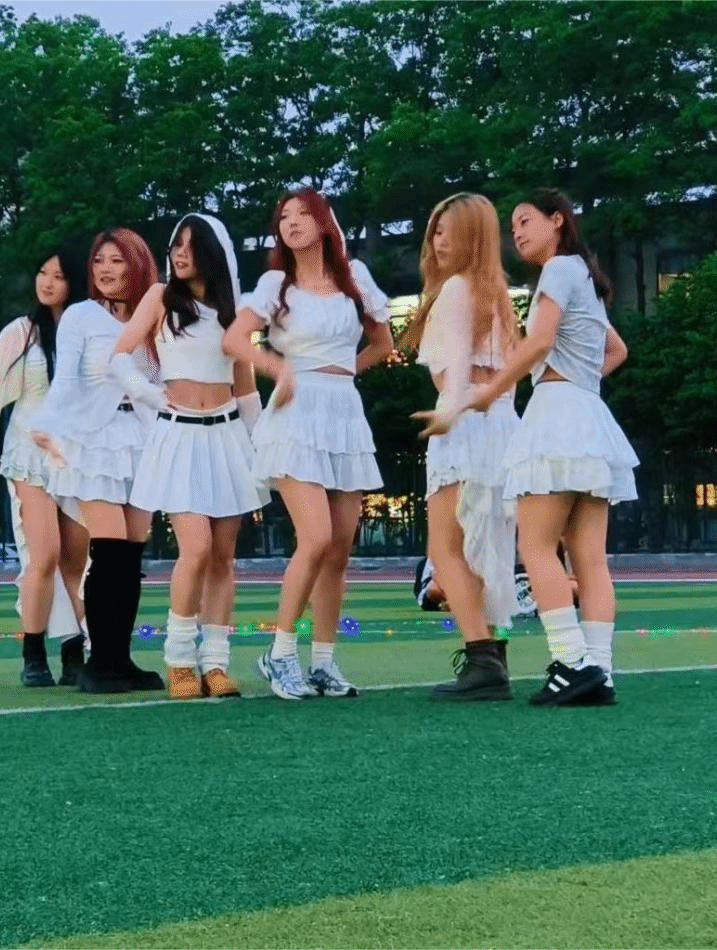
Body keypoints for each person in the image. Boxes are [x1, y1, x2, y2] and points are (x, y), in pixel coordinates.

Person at [417, 188, 637, 707]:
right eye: (512, 225)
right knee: (590, 560)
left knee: (532, 549)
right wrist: (576, 381)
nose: (516, 232)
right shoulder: (577, 275)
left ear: (557, 221)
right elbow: (616, 350)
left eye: (525, 221)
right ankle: (597, 671)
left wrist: (491, 390)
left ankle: (569, 662)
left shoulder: (557, 271)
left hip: (552, 416)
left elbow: (538, 344)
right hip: (587, 414)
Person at [223, 187, 394, 700]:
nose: (292, 222)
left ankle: (323, 662)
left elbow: (383, 343)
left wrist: (342, 374)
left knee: (339, 549)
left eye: (303, 213)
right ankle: (279, 654)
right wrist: (277, 368)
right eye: (284, 216)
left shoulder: (355, 277)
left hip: (343, 412)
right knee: (316, 538)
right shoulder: (276, 283)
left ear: (324, 222)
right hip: (294, 416)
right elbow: (234, 339)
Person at [112, 213, 266, 700]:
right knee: (195, 549)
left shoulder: (233, 312)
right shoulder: (161, 297)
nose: (179, 254)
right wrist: (150, 393)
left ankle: (215, 663)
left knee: (223, 557)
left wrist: (265, 452)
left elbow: (246, 391)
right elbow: (119, 356)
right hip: (178, 437)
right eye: (175, 245)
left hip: (227, 437)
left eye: (190, 246)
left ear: (212, 253)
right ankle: (179, 659)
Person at [0, 246, 92, 686]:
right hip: (29, 455)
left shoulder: (89, 329)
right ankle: (33, 654)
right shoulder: (20, 333)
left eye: (59, 275)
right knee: (43, 555)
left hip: (78, 457)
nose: (47, 282)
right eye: (42, 272)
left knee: (77, 564)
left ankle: (74, 653)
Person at [33, 228, 164, 694]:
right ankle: (99, 662)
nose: (105, 269)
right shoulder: (80, 316)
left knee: (130, 555)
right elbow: (66, 380)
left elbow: (164, 379)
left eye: (117, 260)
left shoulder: (156, 314)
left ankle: (120, 659)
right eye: (98, 261)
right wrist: (47, 426)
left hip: (143, 440)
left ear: (137, 263)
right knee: (108, 550)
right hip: (94, 441)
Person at [403, 192, 521, 701]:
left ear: (472, 237)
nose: (438, 241)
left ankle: (482, 659)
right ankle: (491, 654)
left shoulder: (456, 290)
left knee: (447, 549)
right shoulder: (497, 295)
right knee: (486, 548)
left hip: (466, 425)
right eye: (435, 230)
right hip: (500, 425)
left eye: (448, 231)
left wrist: (449, 411)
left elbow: (454, 371)